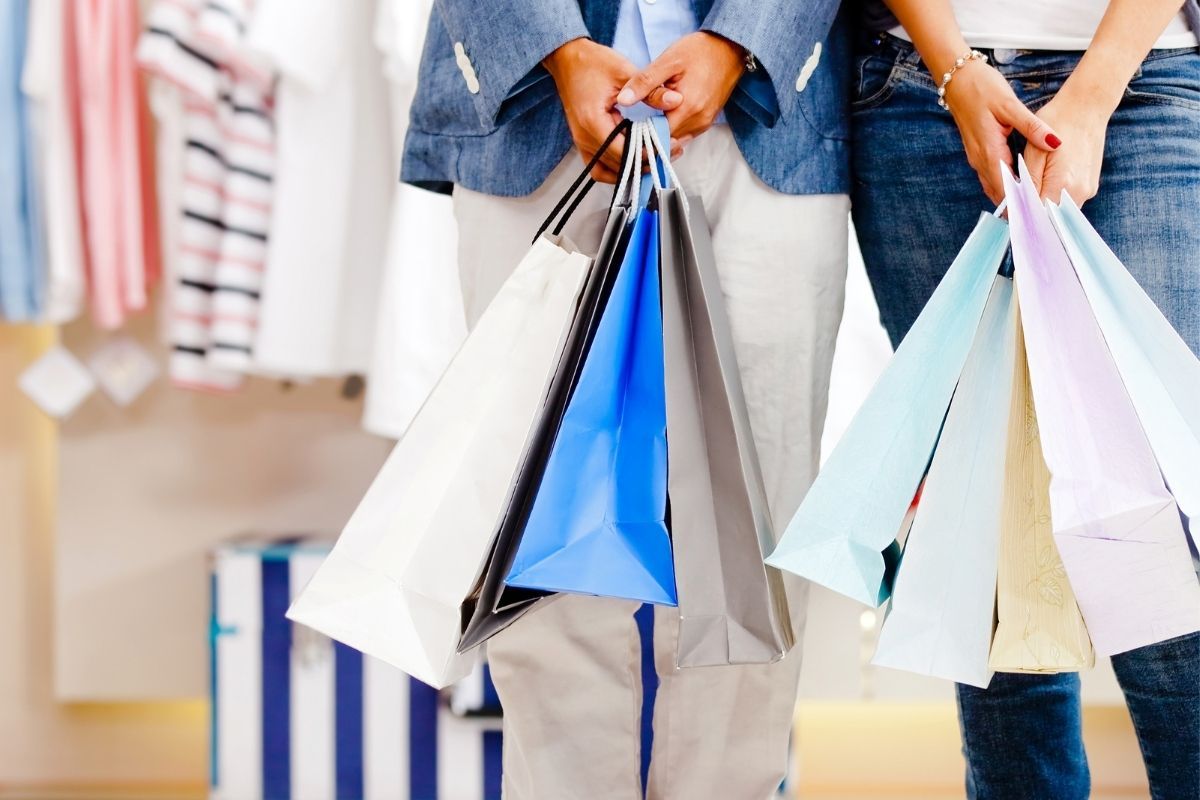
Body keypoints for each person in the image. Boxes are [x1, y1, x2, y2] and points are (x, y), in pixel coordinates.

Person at [403, 1, 849, 796]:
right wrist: (558, 49)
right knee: (540, 539)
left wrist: (740, 38)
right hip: (535, 112)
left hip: (768, 109)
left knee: (755, 535)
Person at [851, 1, 1200, 798]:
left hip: (1143, 84)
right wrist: (955, 69)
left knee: (1161, 533)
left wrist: (1095, 91)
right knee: (986, 527)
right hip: (918, 92)